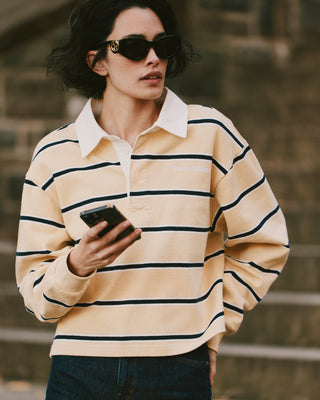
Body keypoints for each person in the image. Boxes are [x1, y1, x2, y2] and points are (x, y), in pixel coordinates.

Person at [15, 0, 290, 399]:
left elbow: (266, 243)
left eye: (163, 45)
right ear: (97, 62)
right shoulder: (54, 154)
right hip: (79, 368)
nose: (152, 59)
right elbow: (35, 292)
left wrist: (212, 323)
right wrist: (78, 264)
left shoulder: (211, 133)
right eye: (132, 47)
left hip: (178, 366)